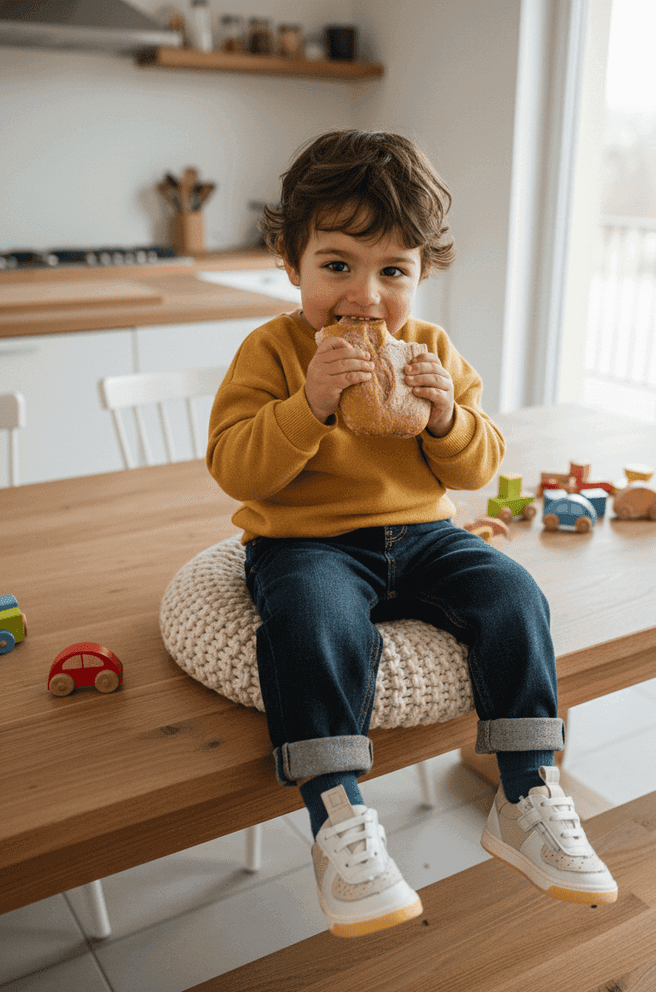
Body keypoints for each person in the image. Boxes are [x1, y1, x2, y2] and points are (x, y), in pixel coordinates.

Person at [207, 129, 617, 938]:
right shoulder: (272, 351)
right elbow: (235, 467)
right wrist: (308, 408)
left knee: (513, 594)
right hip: (308, 541)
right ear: (291, 264)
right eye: (337, 266)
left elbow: (477, 466)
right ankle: (336, 813)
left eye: (393, 270)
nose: (364, 295)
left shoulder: (430, 350)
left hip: (424, 536)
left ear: (422, 273)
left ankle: (526, 792)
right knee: (311, 620)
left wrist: (447, 417)